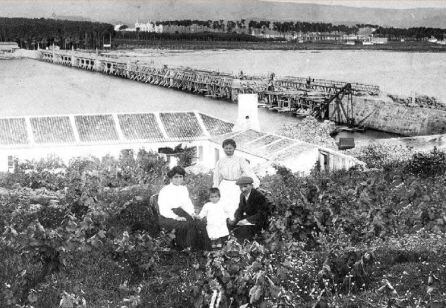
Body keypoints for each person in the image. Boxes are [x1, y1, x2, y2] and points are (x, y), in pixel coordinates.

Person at [158, 166, 209, 250]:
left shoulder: (183, 189)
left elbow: (187, 204)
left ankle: (201, 248)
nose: (178, 179)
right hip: (168, 215)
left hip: (181, 212)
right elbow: (163, 209)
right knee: (186, 225)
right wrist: (176, 217)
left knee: (198, 223)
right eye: (176, 177)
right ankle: (185, 248)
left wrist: (192, 214)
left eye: (180, 177)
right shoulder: (165, 190)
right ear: (171, 178)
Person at [213, 139, 259, 221]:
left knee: (236, 205)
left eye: (230, 148)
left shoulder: (240, 160)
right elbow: (217, 176)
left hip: (237, 186)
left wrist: (255, 183)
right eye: (226, 148)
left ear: (234, 148)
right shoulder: (220, 161)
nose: (228, 150)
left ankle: (236, 224)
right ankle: (225, 225)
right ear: (223, 149)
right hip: (224, 186)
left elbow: (248, 171)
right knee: (224, 205)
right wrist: (215, 187)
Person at [228, 176, 270, 242]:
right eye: (240, 187)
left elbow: (261, 214)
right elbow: (240, 209)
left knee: (243, 230)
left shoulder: (258, 196)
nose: (243, 189)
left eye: (245, 186)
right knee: (228, 224)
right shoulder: (242, 195)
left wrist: (246, 221)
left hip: (258, 222)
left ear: (251, 186)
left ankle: (242, 247)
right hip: (248, 219)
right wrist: (236, 219)